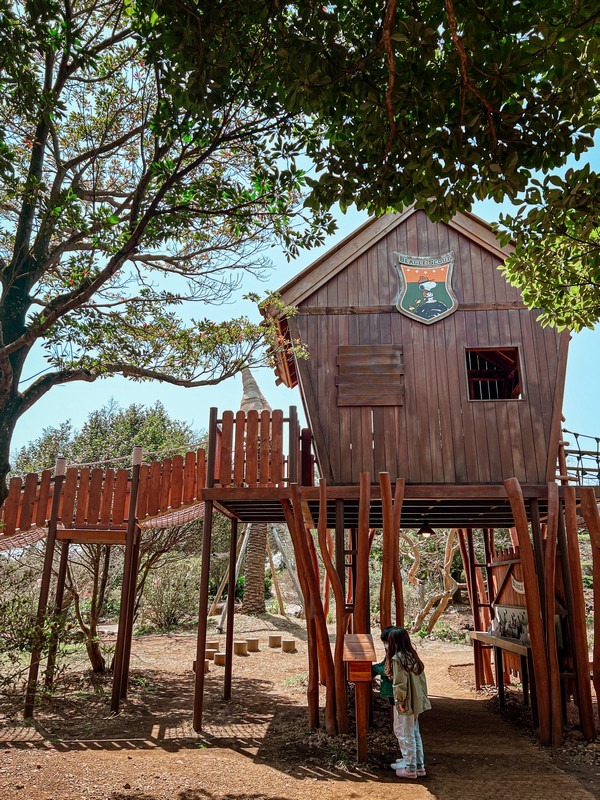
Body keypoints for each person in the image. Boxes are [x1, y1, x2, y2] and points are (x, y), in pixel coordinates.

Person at [385, 627, 431, 779]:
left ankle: (410, 768)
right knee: (414, 731)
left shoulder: (398, 659)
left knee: (406, 733)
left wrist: (400, 701)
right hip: (417, 700)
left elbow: (399, 684)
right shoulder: (413, 657)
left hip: (406, 701)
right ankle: (419, 765)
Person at [372, 625, 396, 706]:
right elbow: (383, 664)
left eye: (386, 642)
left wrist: (374, 669)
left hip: (397, 691)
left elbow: (388, 670)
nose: (385, 645)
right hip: (393, 690)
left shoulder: (397, 655)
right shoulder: (391, 651)